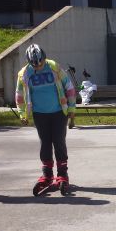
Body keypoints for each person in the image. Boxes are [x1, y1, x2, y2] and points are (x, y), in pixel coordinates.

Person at [15, 44, 76, 196]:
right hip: (39, 114)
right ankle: (47, 175)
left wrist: (72, 108)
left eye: (41, 63)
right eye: (35, 64)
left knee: (59, 141)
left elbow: (69, 86)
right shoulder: (24, 74)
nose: (38, 66)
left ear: (44, 58)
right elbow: (19, 95)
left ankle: (62, 174)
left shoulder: (53, 66)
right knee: (45, 143)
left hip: (58, 112)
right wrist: (23, 114)